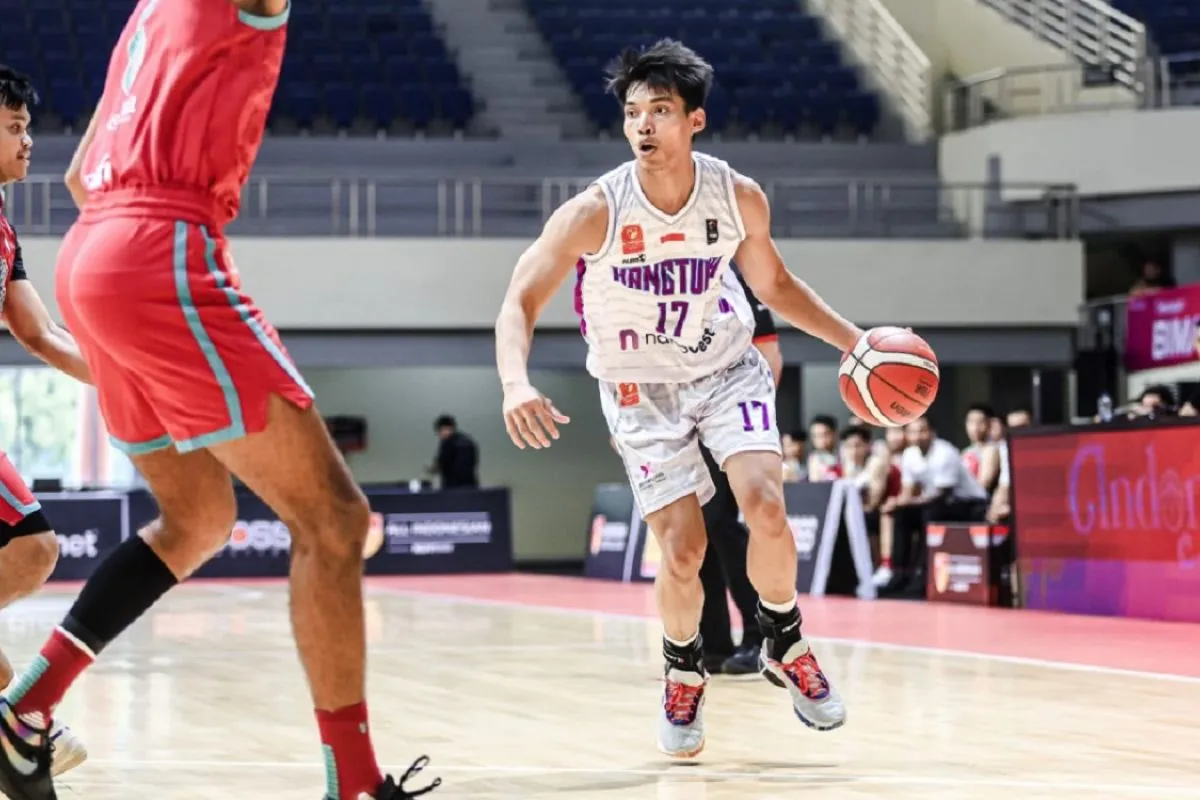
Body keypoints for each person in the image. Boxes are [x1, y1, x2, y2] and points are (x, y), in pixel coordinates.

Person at [0, 5, 439, 800]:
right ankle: (355, 785)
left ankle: (24, 707)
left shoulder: (148, 11)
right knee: (335, 522)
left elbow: (79, 175)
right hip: (158, 250)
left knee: (198, 518)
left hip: (91, 254)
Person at [495, 39, 856, 758]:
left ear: (695, 120)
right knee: (684, 549)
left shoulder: (736, 195)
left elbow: (776, 286)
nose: (643, 125)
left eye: (660, 110)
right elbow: (520, 299)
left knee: (766, 503)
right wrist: (515, 381)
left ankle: (784, 640)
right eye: (633, 112)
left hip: (725, 366)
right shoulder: (595, 210)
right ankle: (684, 670)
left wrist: (856, 342)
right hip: (639, 390)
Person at [0, 65, 92, 780]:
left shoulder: (4, 228)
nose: (28, 140)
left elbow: (41, 333)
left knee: (31, 550)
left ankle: (20, 733)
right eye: (13, 128)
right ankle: (25, 732)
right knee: (34, 549)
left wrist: (128, 382)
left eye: (27, 126)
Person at [697, 268, 780, 677]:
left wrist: (749, 430)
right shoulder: (668, 278)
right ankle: (712, 642)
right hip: (683, 424)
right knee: (695, 533)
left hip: (731, 421)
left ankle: (759, 633)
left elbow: (771, 358)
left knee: (721, 524)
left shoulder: (738, 280)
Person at [880, 417, 988, 598]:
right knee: (902, 514)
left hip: (968, 504)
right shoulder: (909, 455)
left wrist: (909, 501)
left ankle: (924, 576)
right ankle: (898, 574)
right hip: (933, 503)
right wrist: (897, 503)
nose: (917, 436)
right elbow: (908, 492)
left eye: (922, 431)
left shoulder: (945, 452)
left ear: (931, 433)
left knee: (930, 514)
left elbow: (942, 494)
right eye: (913, 432)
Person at [429, 415, 479, 489]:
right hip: (471, 486)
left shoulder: (448, 443)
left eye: (439, 432)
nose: (439, 436)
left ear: (445, 429)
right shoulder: (469, 442)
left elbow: (441, 464)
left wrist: (432, 469)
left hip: (452, 487)